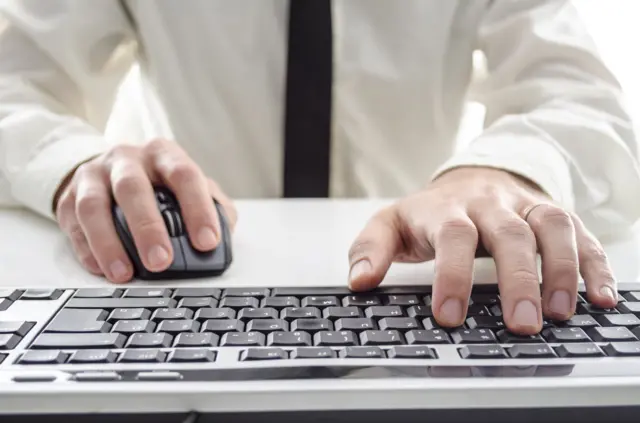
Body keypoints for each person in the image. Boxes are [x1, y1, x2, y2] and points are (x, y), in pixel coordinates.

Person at [0, 0, 639, 336]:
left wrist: (501, 171)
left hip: (417, 281)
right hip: (179, 288)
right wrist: (73, 165)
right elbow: (13, 84)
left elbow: (580, 98)